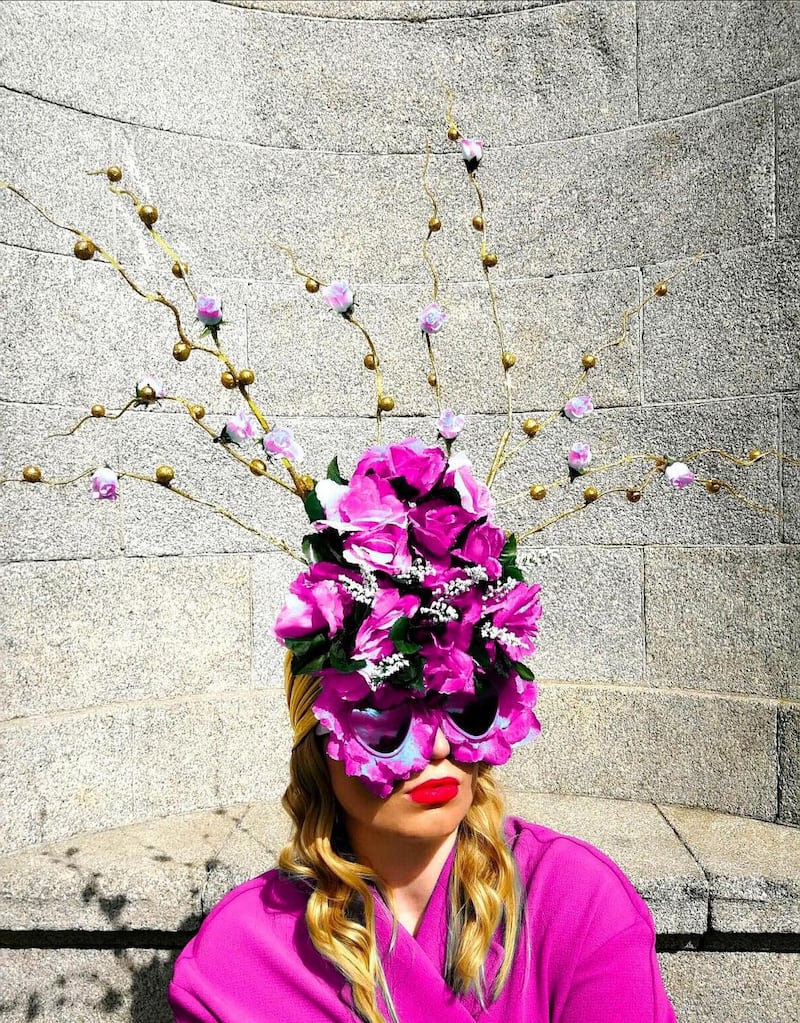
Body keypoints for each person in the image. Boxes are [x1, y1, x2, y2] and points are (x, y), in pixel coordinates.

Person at [168, 439, 677, 1022]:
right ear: (318, 743)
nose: (437, 747)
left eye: (467, 706)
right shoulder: (237, 963)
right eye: (384, 716)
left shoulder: (576, 903)